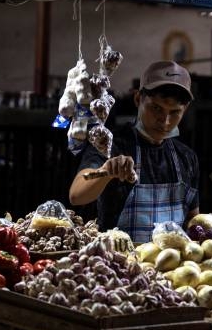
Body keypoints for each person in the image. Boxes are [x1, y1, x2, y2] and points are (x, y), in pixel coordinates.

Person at [69, 60, 201, 242]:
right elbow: (76, 195)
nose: (165, 121)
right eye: (156, 108)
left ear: (185, 109)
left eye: (174, 112)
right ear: (138, 99)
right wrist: (105, 172)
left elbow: (195, 221)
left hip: (171, 267)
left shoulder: (186, 157)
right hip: (119, 264)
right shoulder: (109, 145)